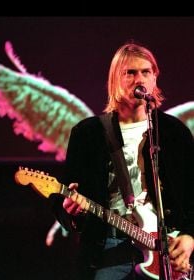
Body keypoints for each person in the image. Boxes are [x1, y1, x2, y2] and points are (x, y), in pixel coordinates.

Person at [51, 42, 194, 280]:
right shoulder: (88, 133)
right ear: (115, 79)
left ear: (155, 78)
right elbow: (64, 197)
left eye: (146, 72)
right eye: (130, 72)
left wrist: (189, 236)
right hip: (110, 246)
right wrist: (71, 211)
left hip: (167, 249)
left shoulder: (173, 132)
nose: (139, 79)